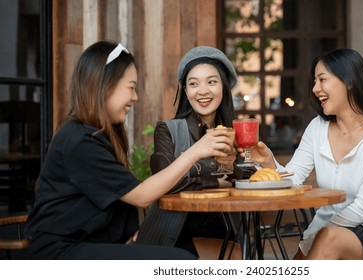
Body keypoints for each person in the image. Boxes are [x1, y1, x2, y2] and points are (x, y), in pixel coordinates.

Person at [24, 41, 234, 260]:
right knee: (182, 261)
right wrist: (195, 152)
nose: (135, 97)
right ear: (105, 85)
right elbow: (141, 195)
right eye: (131, 87)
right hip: (59, 253)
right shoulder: (79, 140)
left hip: (89, 245)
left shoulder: (96, 135)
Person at [242, 48, 363, 260]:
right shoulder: (317, 127)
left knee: (329, 239)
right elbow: (294, 178)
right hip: (323, 231)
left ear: (349, 81)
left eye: (322, 79)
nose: (315, 88)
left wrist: (314, 239)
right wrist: (269, 163)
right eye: (314, 81)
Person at [136, 46, 252, 257]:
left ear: (224, 87)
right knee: (234, 256)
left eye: (211, 82)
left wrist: (243, 164)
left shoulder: (234, 134)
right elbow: (164, 183)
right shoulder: (167, 130)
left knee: (242, 252)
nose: (203, 91)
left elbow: (246, 181)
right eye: (193, 84)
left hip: (224, 232)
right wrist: (217, 181)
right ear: (186, 91)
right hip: (174, 237)